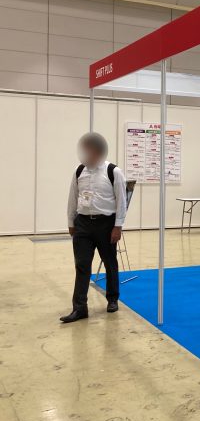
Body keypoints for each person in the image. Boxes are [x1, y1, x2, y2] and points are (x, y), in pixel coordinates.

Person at [61, 132, 127, 323]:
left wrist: (118, 226)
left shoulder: (113, 171)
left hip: (106, 224)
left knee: (109, 262)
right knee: (82, 265)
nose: (88, 154)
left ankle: (112, 299)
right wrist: (71, 223)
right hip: (82, 224)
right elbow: (72, 197)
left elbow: (121, 202)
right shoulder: (79, 171)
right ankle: (79, 308)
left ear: (99, 151)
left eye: (91, 150)